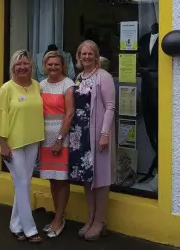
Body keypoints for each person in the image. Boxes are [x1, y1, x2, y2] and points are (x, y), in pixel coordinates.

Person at [69, 40, 116, 241]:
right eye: (83, 53)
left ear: (96, 56)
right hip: (81, 134)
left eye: (90, 53)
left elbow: (110, 106)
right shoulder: (79, 77)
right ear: (79, 56)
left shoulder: (103, 77)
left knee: (101, 179)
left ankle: (99, 221)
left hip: (97, 135)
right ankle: (90, 218)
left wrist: (104, 133)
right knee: (87, 179)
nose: (86, 57)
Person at [0, 50, 44, 243]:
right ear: (13, 67)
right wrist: (2, 144)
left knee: (23, 184)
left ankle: (15, 225)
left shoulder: (36, 86)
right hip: (12, 144)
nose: (22, 67)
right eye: (18, 64)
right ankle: (30, 229)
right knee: (23, 183)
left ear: (31, 66)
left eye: (26, 63)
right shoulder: (6, 89)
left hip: (32, 141)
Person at [39, 51, 75, 238]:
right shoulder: (41, 85)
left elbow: (69, 114)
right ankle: (58, 216)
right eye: (49, 64)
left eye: (57, 64)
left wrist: (60, 139)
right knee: (52, 179)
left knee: (61, 180)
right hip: (45, 138)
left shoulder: (68, 84)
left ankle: (59, 219)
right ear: (44, 66)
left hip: (61, 137)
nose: (53, 67)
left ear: (63, 66)